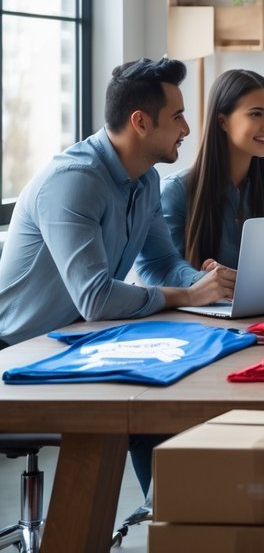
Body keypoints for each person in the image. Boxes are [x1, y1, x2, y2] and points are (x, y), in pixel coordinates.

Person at [0, 57, 236, 496]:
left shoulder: (143, 179)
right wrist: (184, 295)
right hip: (21, 351)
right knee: (152, 408)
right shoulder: (74, 182)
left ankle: (184, 521)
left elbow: (163, 261)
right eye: (178, 117)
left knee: (178, 389)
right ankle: (177, 522)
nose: (187, 129)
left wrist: (209, 286)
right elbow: (95, 299)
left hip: (79, 341)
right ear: (140, 122)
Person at [161, 69, 264, 268]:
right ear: (223, 122)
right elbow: (164, 270)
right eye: (256, 113)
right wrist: (204, 281)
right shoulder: (176, 191)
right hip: (203, 300)